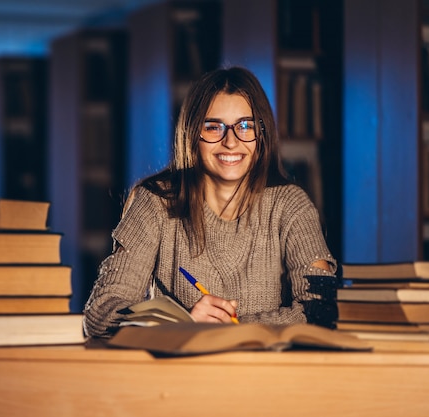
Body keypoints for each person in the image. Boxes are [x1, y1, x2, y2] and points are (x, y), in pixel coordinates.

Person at [83, 66, 337, 338]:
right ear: (192, 134)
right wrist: (179, 324)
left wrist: (228, 329)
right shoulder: (154, 202)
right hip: (180, 373)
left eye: (245, 126)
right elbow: (100, 313)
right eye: (214, 127)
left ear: (262, 135)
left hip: (264, 374)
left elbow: (320, 310)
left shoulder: (291, 206)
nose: (231, 142)